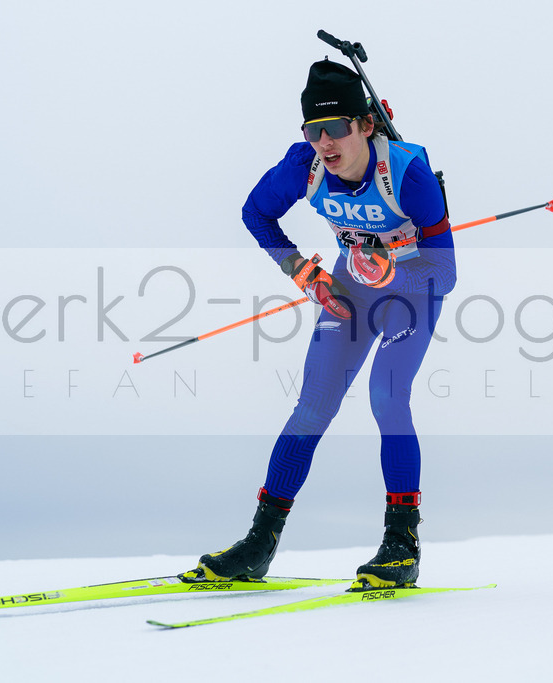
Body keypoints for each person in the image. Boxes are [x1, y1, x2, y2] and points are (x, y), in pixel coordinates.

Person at [181, 58, 456, 588]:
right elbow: (255, 213)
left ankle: (402, 544)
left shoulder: (407, 173)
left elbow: (445, 273)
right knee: (311, 407)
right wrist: (305, 273)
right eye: (313, 130)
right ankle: (259, 543)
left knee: (387, 396)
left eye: (336, 129)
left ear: (366, 125)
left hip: (411, 293)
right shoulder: (303, 166)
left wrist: (394, 264)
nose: (324, 143)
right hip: (348, 292)